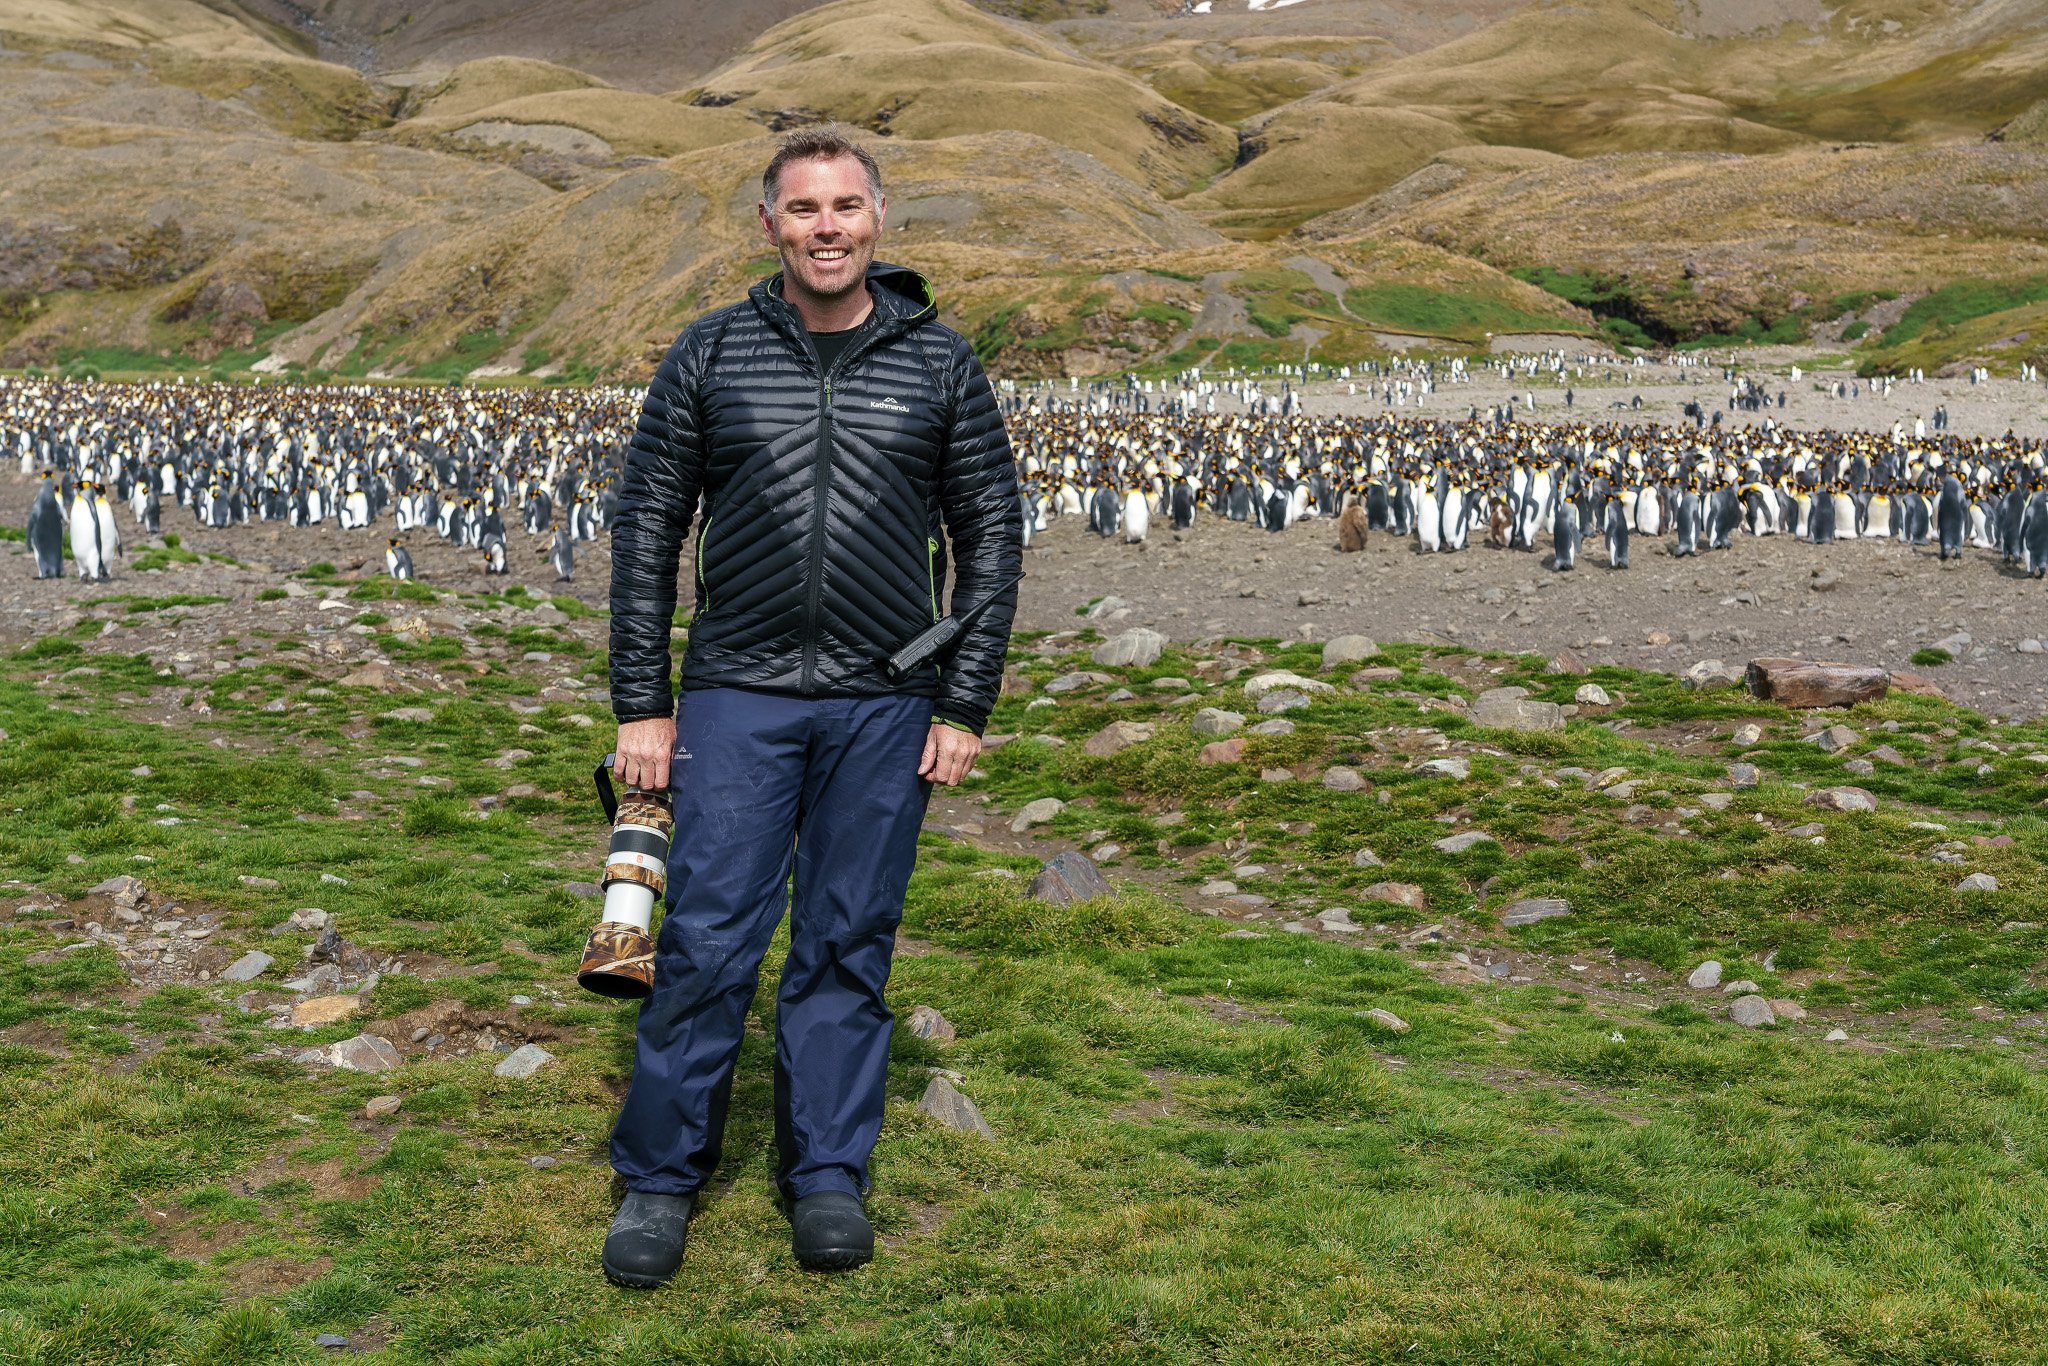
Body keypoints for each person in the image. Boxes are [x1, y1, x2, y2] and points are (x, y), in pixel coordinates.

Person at [599, 126, 1021, 1286]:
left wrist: (962, 701)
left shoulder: (940, 364)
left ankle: (826, 1172)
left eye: (844, 206)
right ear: (768, 225)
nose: (824, 227)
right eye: (802, 209)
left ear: (878, 217)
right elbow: (646, 528)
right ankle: (659, 1177)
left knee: (845, 940)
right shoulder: (711, 352)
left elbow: (990, 537)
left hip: (885, 703)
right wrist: (642, 702)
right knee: (705, 939)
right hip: (735, 692)